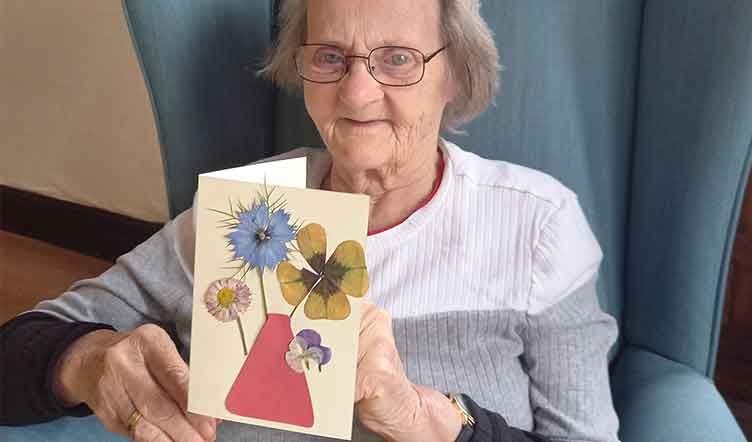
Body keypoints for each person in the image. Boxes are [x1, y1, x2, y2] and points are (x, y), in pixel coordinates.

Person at [0, 0, 621, 441]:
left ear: (454, 74)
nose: (355, 93)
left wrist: (437, 424)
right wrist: (87, 360)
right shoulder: (248, 212)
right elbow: (19, 353)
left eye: (398, 58)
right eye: (329, 56)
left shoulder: (535, 226)